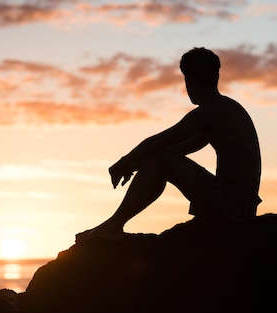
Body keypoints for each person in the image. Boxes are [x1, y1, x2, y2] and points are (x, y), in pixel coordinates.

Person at [75, 47, 262, 243]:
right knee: (159, 157)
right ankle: (111, 224)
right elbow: (178, 149)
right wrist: (137, 164)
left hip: (234, 207)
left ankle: (113, 226)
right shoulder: (225, 109)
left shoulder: (210, 112)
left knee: (159, 157)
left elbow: (160, 141)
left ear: (188, 80)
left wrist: (123, 162)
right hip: (240, 206)